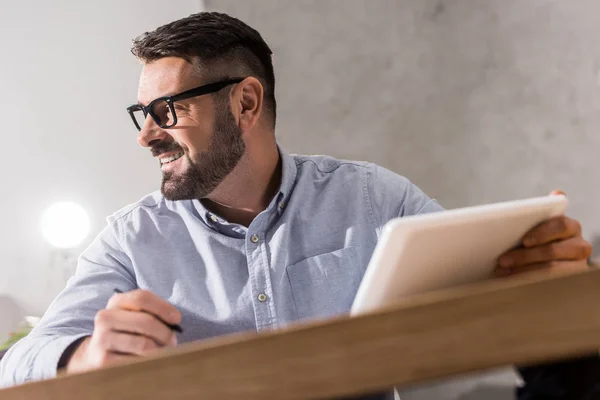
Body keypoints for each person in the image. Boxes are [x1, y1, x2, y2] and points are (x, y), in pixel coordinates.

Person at [0, 12, 594, 398]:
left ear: (246, 104)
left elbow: (491, 291)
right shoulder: (131, 241)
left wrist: (550, 270)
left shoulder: (373, 200)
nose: (146, 134)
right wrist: (83, 355)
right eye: (142, 114)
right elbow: (18, 362)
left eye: (167, 111)